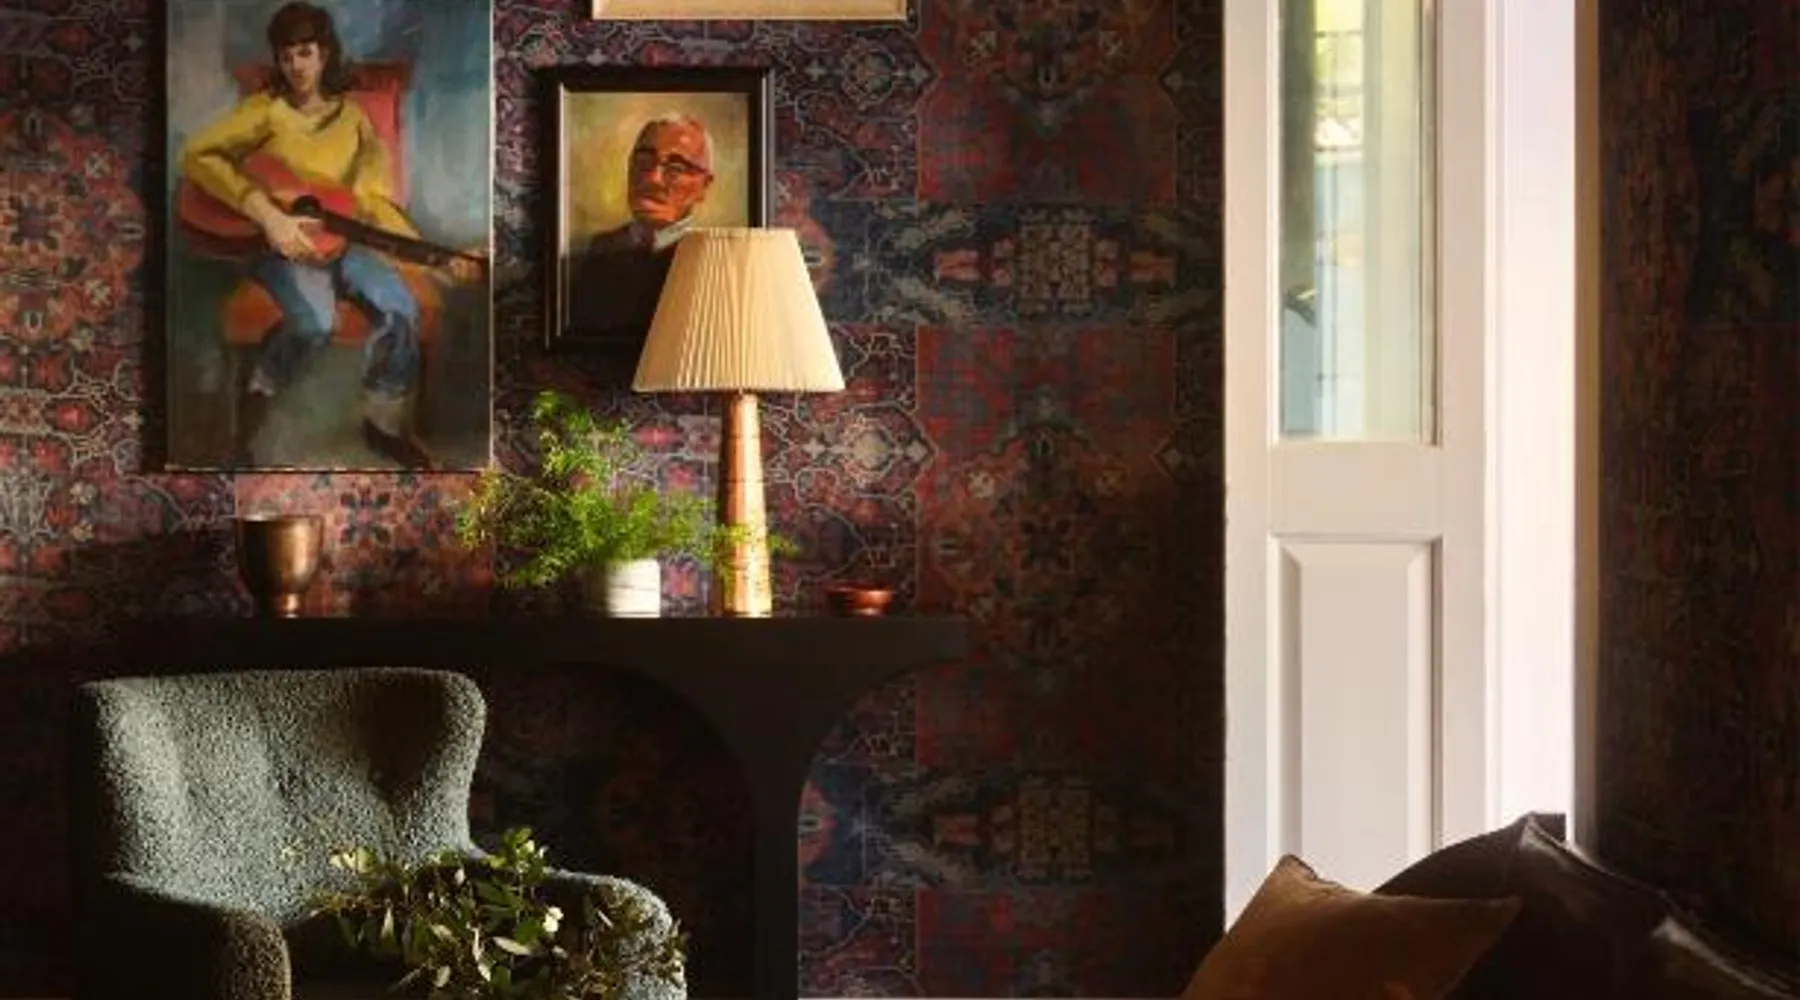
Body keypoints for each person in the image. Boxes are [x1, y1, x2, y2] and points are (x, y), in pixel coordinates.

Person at [180, 1, 481, 468]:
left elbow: (374, 204)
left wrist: (434, 260)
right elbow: (199, 156)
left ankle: (381, 424)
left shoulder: (354, 121)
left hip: (346, 243)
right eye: (286, 57)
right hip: (282, 247)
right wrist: (267, 214)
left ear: (324, 55)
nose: (296, 66)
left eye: (305, 53)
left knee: (399, 308)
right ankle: (255, 405)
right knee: (315, 323)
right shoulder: (267, 111)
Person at [567, 112, 716, 336]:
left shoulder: (713, 259)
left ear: (704, 186)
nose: (652, 178)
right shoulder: (594, 251)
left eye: (675, 169)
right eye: (643, 162)